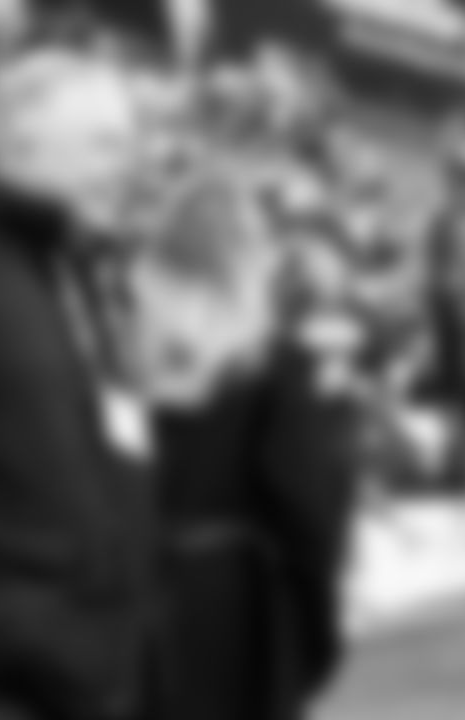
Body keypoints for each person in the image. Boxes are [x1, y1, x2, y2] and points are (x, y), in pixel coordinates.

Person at [0, 53, 157, 720]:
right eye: (105, 142)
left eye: (131, 142)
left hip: (84, 681)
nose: (128, 163)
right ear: (21, 140)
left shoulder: (77, 276)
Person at [129, 171, 357, 720]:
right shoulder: (275, 369)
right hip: (236, 609)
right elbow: (309, 512)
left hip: (134, 595)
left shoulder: (124, 358)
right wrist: (318, 626)